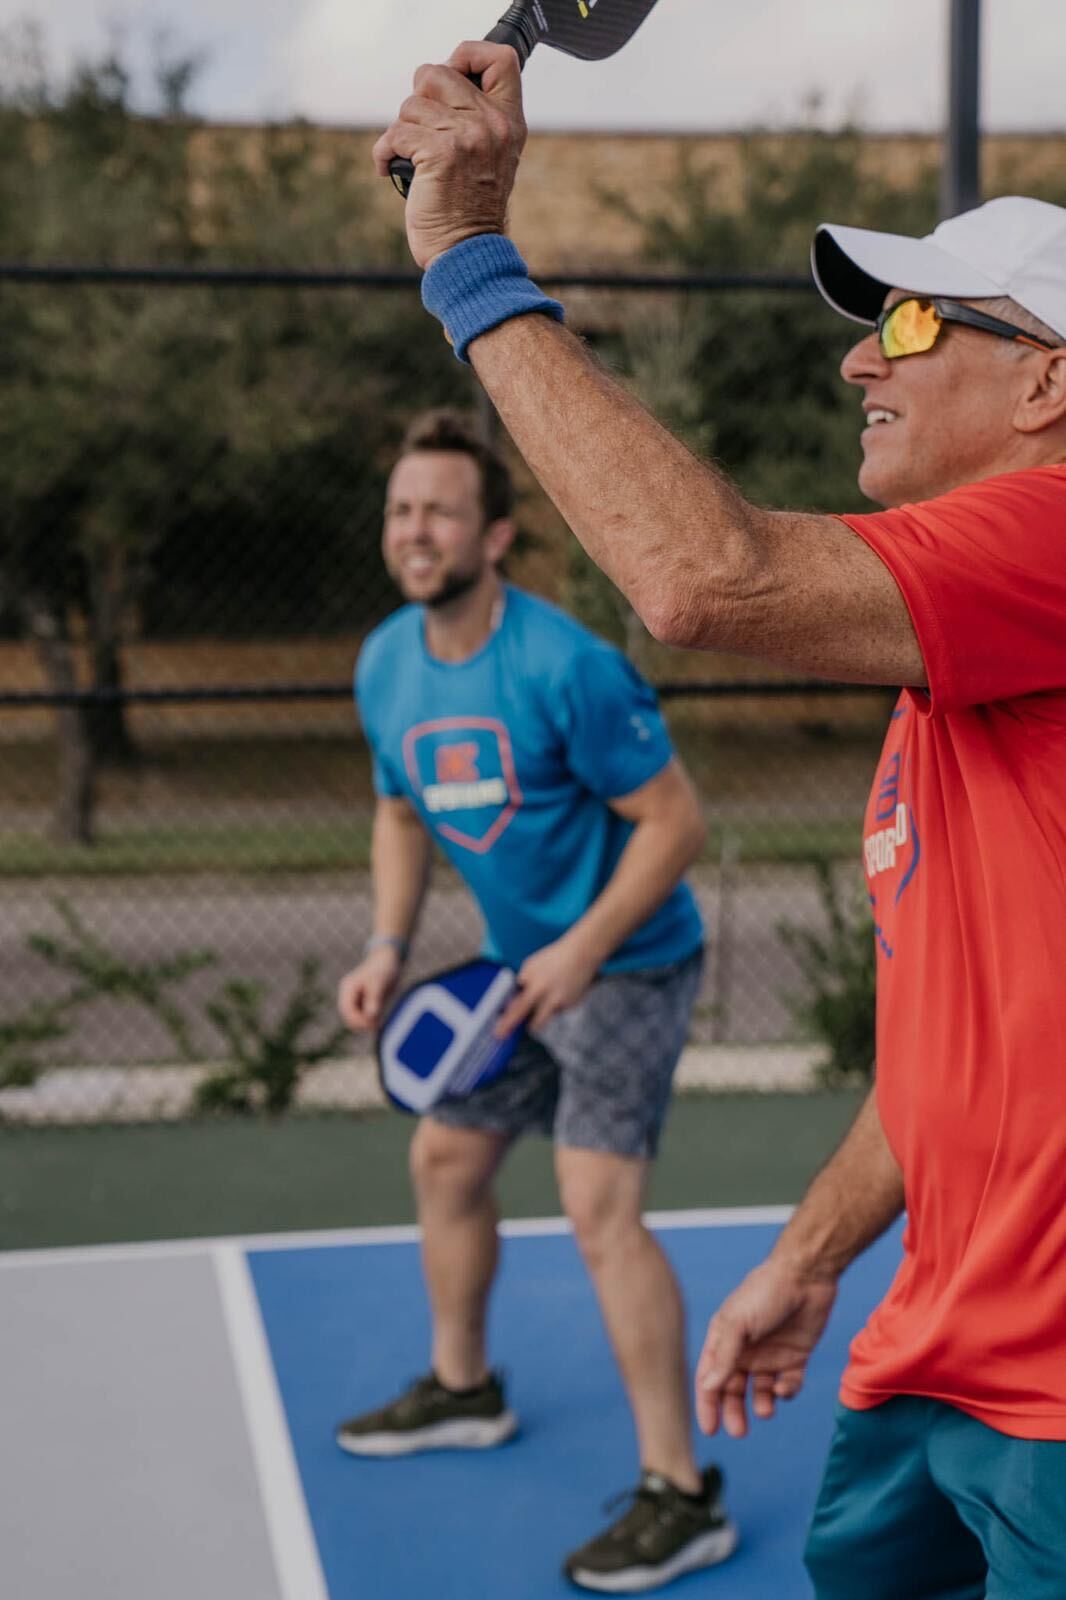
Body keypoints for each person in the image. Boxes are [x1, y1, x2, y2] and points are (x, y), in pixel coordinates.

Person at [373, 42, 1066, 1600]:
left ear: (1046, 380)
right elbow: (958, 1051)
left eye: (906, 320)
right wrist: (813, 1254)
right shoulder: (955, 696)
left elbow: (704, 577)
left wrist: (469, 255)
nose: (856, 363)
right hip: (933, 1355)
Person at [335, 407, 739, 1593]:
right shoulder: (383, 663)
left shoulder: (567, 666)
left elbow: (676, 824)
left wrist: (580, 951)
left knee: (595, 1207)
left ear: (495, 534)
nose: (416, 530)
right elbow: (401, 811)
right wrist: (385, 943)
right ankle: (463, 1388)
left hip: (628, 962)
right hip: (518, 976)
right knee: (445, 1164)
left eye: (440, 511)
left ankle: (682, 1490)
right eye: (402, 509)